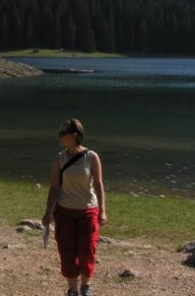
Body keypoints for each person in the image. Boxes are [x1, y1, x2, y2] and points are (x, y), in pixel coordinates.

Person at [42, 118, 108, 296]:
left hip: (88, 211)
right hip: (64, 212)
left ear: (74, 135)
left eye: (62, 133)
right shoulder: (59, 158)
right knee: (67, 252)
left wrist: (102, 210)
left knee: (87, 251)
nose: (59, 136)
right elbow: (54, 187)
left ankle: (85, 286)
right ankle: (72, 289)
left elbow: (99, 185)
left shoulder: (91, 157)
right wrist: (48, 212)